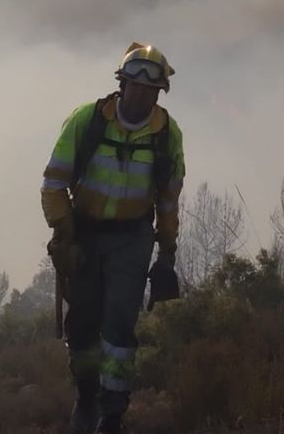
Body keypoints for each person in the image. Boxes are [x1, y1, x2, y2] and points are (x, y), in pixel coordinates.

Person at [40, 43, 185, 434]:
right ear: (121, 84)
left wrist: (166, 252)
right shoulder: (87, 121)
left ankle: (112, 413)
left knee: (119, 328)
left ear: (160, 93)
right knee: (83, 326)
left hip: (132, 238)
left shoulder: (166, 135)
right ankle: (86, 396)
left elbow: (169, 200)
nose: (141, 95)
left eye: (150, 89)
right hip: (84, 233)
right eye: (134, 85)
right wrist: (64, 232)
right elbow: (54, 182)